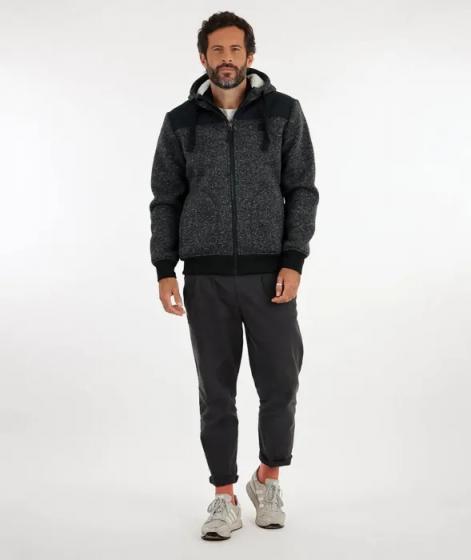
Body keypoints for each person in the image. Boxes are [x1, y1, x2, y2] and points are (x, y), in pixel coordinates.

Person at [149, 11, 319, 540]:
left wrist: (293, 259)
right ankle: (223, 496)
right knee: (217, 393)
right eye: (217, 50)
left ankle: (267, 479)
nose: (227, 59)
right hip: (207, 279)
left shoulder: (284, 113)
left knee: (280, 385)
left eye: (235, 49)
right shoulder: (180, 122)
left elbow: (302, 190)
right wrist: (164, 268)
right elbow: (165, 198)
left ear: (250, 55)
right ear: (203, 57)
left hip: (271, 276)